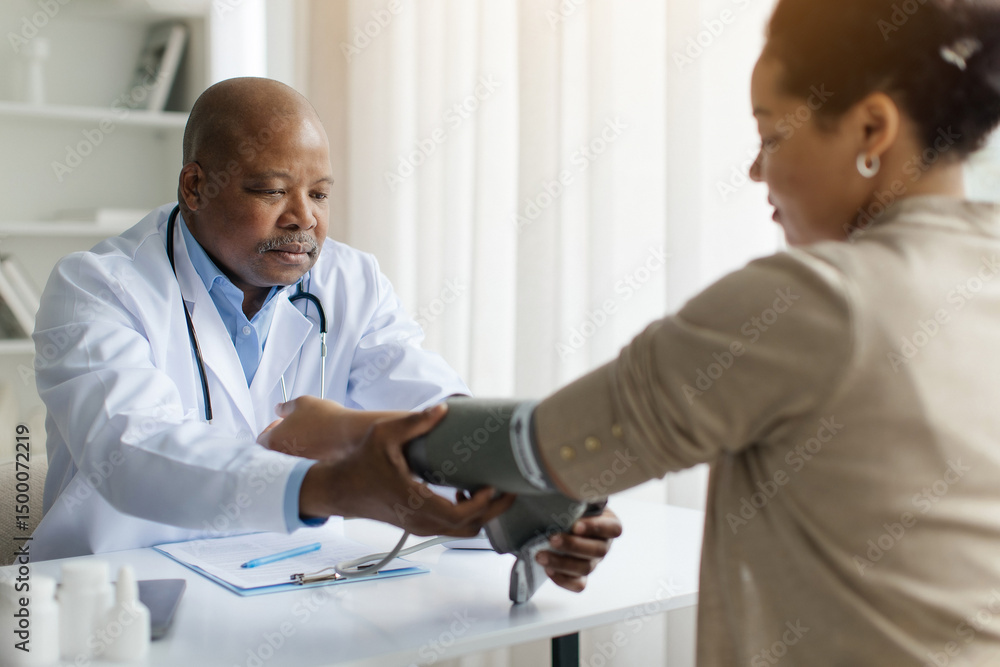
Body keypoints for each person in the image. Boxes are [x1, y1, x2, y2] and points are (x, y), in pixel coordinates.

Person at [259, 0, 1000, 663]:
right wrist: (550, 507)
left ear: (873, 127)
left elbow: (534, 444)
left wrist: (334, 430)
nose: (754, 169)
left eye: (772, 134)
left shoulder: (817, 302)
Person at [32, 77, 618, 591]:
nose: (304, 218)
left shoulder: (350, 279)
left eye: (318, 193)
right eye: (271, 190)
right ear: (195, 187)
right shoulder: (97, 287)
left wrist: (533, 500)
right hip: (119, 594)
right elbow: (132, 452)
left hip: (287, 581)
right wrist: (332, 486)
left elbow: (428, 409)